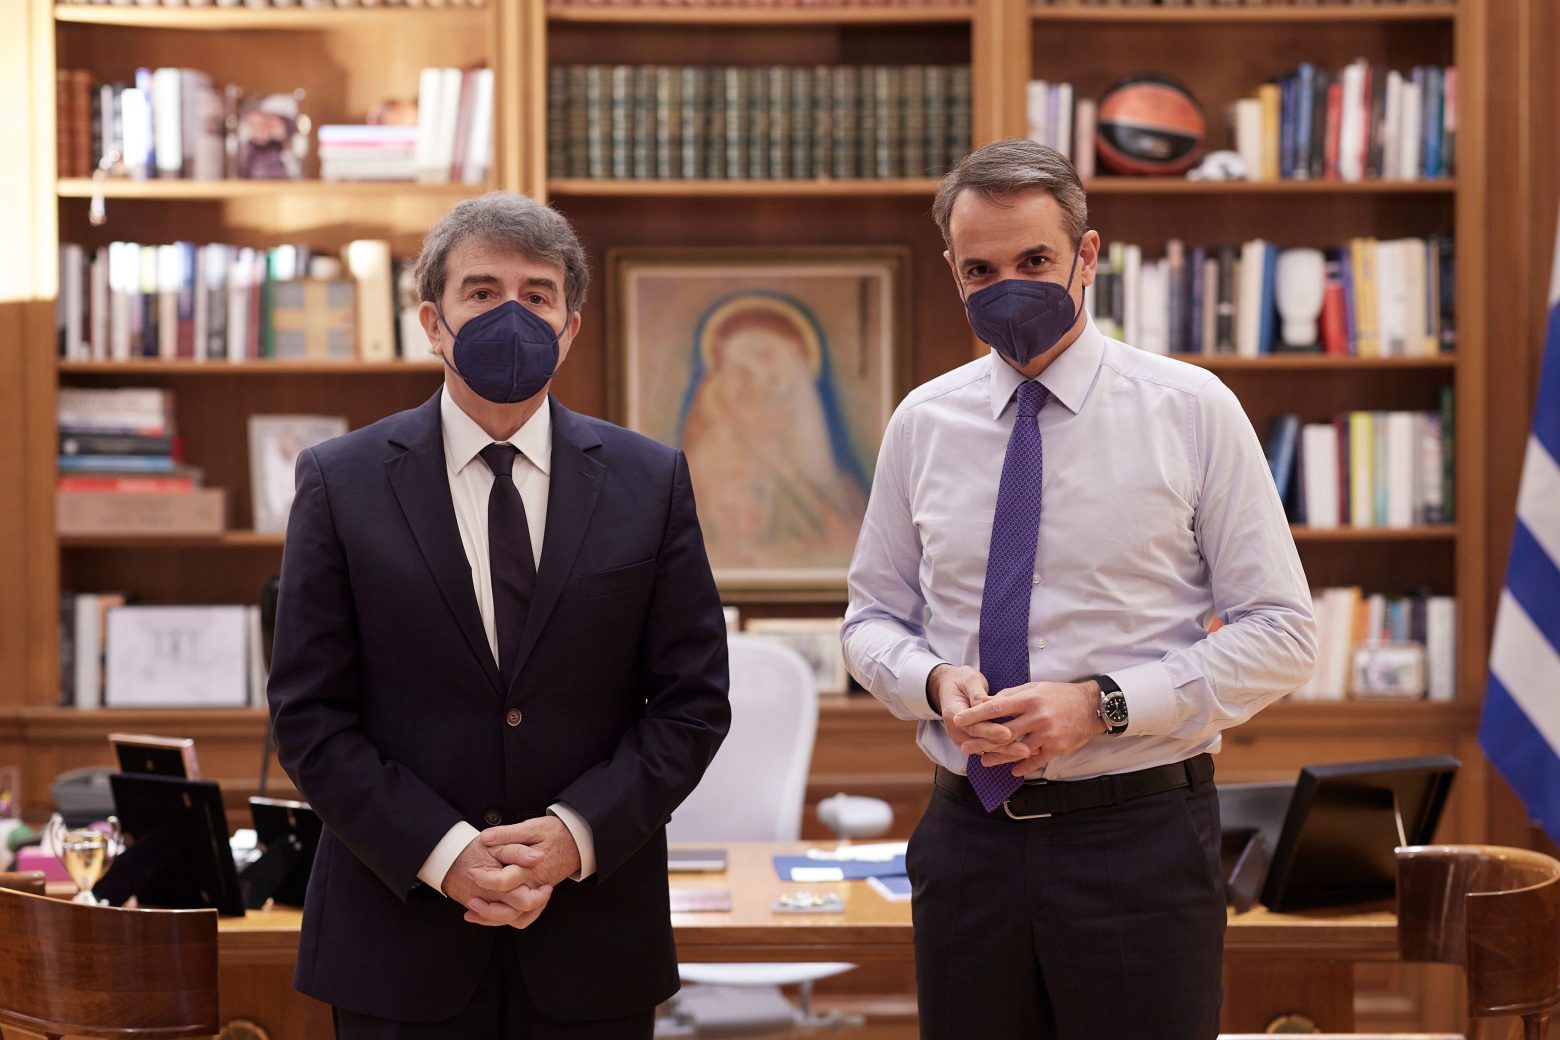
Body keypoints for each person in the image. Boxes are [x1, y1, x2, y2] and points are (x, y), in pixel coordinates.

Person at [841, 140, 1317, 1040]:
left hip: (1137, 839)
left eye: (1035, 261)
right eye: (981, 270)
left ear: (1087, 256)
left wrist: (1102, 705)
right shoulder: (922, 423)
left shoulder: (1191, 410)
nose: (1008, 287)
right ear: (952, 271)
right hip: (967, 843)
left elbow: (1283, 632)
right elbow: (870, 620)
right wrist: (935, 684)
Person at [267, 191, 731, 1039]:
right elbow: (308, 716)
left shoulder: (650, 480)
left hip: (592, 941)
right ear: (432, 322)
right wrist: (445, 855)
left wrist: (574, 835)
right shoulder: (340, 481)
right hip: (398, 942)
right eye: (482, 292)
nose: (511, 315)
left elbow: (693, 704)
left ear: (569, 326)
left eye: (536, 294)